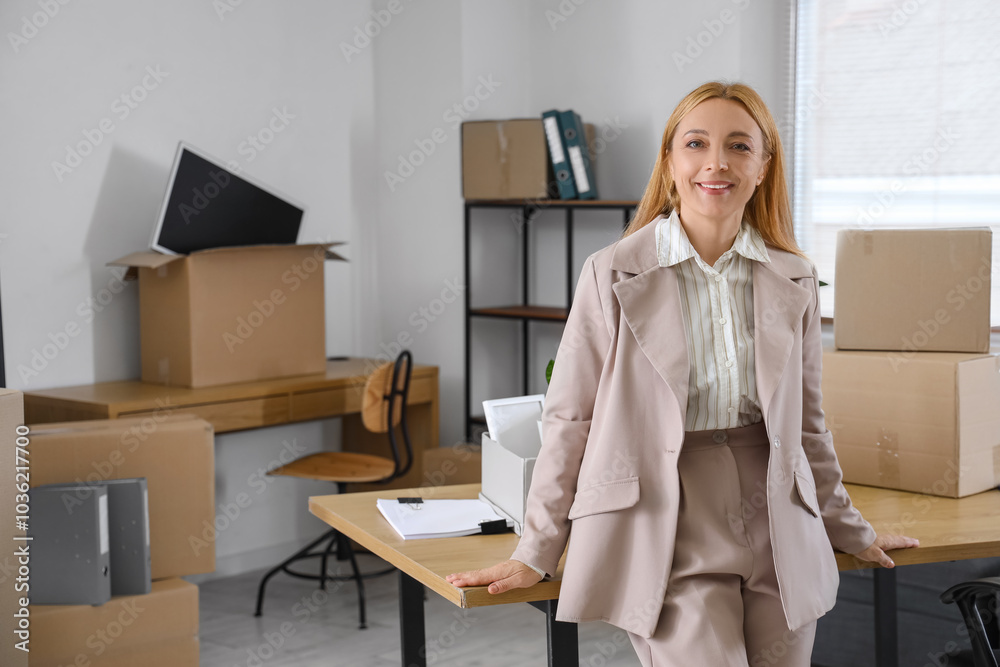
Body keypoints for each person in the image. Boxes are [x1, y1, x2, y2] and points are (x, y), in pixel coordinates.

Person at [446, 81, 919, 666]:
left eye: (739, 146)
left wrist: (850, 529)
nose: (716, 163)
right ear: (670, 163)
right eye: (696, 143)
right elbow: (570, 419)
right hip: (665, 518)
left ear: (764, 167)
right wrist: (535, 550)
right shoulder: (611, 273)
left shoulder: (794, 276)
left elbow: (807, 426)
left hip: (778, 519)